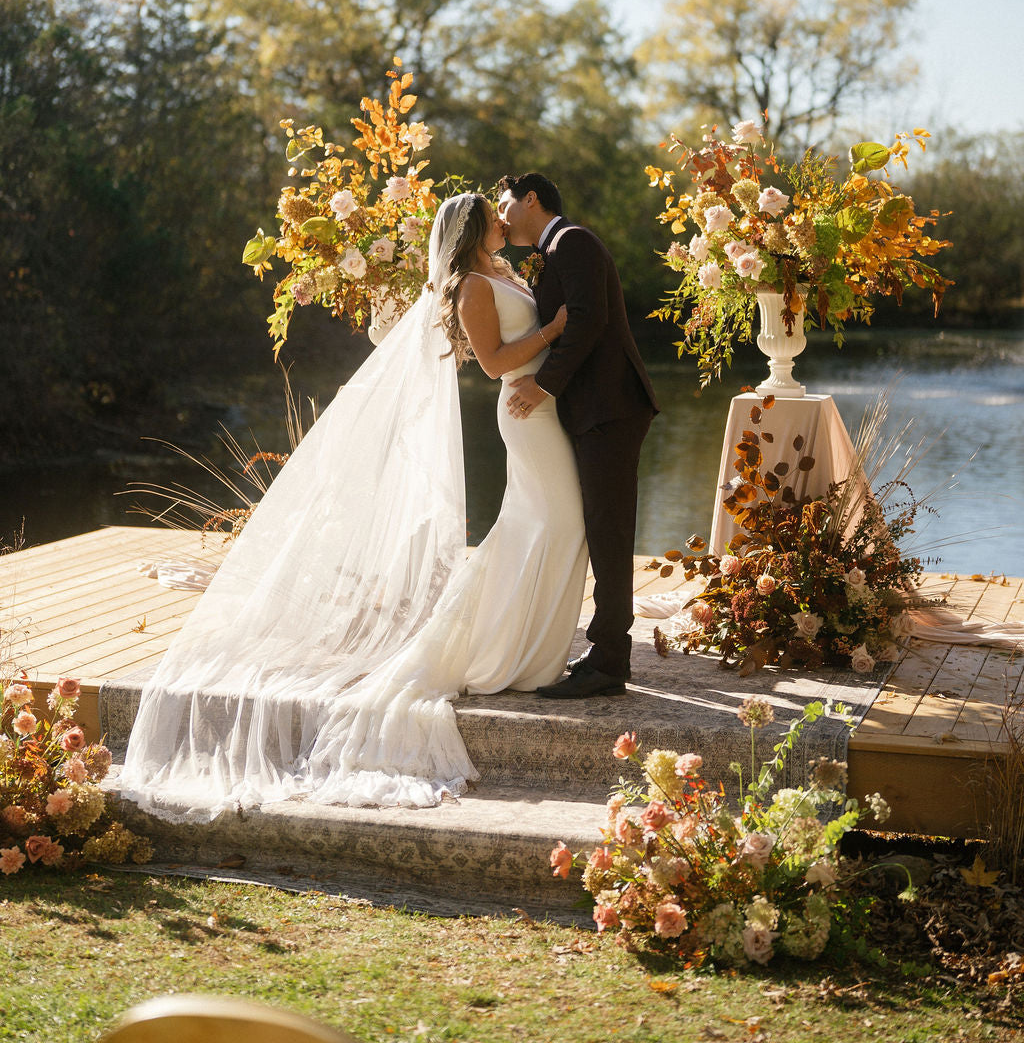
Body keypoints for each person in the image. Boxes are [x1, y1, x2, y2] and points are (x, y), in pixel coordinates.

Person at [116, 193, 589, 818]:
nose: (506, 223)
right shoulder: (471, 286)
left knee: (551, 526)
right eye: (494, 218)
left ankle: (530, 650)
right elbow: (495, 360)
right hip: (524, 410)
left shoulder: (502, 273)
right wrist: (555, 331)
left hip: (546, 404)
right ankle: (506, 650)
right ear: (475, 231)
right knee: (549, 523)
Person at [496, 174, 658, 699]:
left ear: (532, 199)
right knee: (600, 526)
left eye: (505, 203)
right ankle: (607, 651)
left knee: (609, 530)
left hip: (610, 407)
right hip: (591, 409)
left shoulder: (574, 242)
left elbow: (587, 321)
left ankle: (609, 659)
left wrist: (543, 386)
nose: (500, 215)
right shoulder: (551, 250)